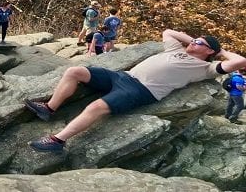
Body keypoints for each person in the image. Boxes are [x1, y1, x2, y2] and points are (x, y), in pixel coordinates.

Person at [25, 29, 246, 152]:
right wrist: (197, 41)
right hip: (124, 76)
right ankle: (49, 108)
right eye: (195, 39)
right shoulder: (175, 48)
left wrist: (219, 51)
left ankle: (57, 141)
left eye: (200, 43)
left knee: (96, 107)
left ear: (209, 51)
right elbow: (169, 32)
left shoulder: (206, 68)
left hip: (142, 90)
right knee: (75, 70)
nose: (194, 42)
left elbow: (240, 60)